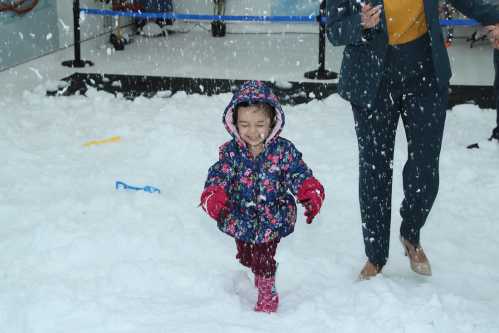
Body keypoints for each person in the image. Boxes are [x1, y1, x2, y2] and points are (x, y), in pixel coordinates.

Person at [326, 0, 499, 280]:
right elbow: (333, 29)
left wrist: (496, 17)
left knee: (425, 166)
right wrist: (359, 24)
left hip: (425, 75)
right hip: (372, 79)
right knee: (374, 168)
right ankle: (375, 256)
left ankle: (411, 233)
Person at [200, 80, 325, 313]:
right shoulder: (232, 153)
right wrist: (213, 194)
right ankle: (257, 269)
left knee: (264, 256)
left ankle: (267, 293)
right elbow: (219, 175)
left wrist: (308, 189)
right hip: (240, 214)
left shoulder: (282, 152)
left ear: (272, 122)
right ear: (234, 124)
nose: (252, 131)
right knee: (247, 256)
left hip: (273, 214)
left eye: (260, 124)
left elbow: (297, 172)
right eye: (245, 124)